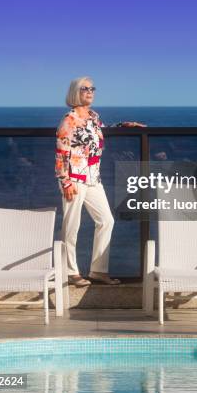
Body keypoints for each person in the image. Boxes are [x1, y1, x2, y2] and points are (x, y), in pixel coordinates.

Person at [55, 76, 146, 287]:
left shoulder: (94, 116)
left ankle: (98, 271)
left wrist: (123, 125)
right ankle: (70, 271)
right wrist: (65, 181)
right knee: (71, 226)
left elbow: (100, 132)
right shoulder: (68, 119)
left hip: (93, 178)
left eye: (92, 88)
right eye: (84, 88)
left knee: (106, 220)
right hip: (74, 178)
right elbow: (61, 152)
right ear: (75, 92)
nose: (90, 92)